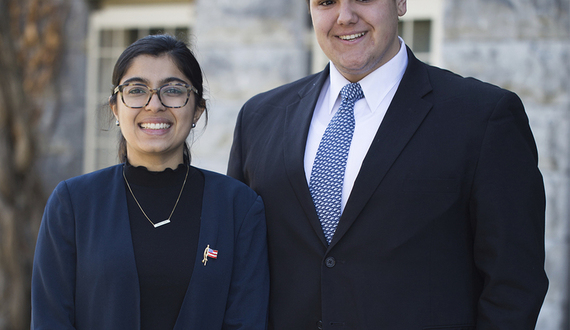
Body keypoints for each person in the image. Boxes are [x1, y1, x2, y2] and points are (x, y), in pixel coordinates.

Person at [227, 0, 547, 329]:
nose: (345, 16)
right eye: (326, 2)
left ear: (401, 2)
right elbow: (234, 269)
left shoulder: (483, 117)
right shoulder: (258, 118)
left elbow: (513, 284)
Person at [32, 34, 269, 330]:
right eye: (136, 90)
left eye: (173, 90)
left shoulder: (239, 208)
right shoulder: (73, 204)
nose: (154, 105)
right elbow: (50, 320)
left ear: (197, 109)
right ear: (115, 108)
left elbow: (246, 321)